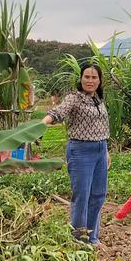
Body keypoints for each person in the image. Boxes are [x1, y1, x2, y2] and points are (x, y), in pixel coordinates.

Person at [42, 64, 110, 245]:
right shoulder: (74, 98)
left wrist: (106, 151)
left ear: (99, 80)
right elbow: (58, 112)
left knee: (98, 194)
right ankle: (79, 239)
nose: (90, 80)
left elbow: (102, 127)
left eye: (94, 77)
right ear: (80, 79)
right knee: (82, 195)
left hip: (100, 150)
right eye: (86, 77)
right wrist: (42, 124)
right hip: (81, 151)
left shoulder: (98, 99)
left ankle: (92, 236)